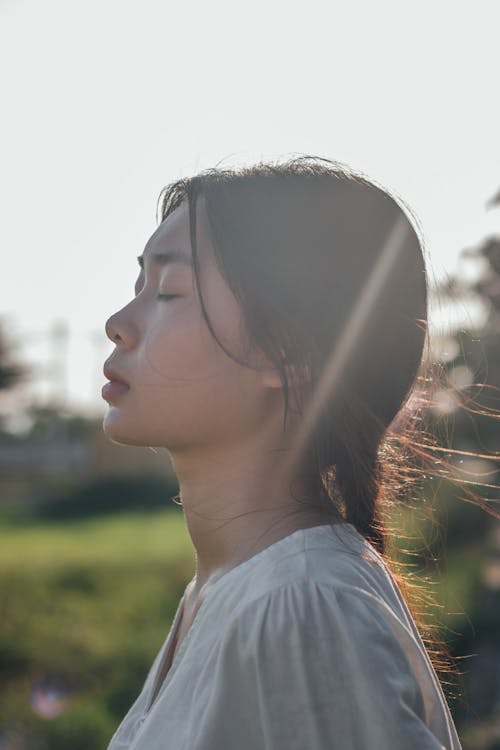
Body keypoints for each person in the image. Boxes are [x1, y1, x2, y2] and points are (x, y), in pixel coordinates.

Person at [102, 156, 462, 749]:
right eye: (138, 286)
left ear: (286, 353)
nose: (118, 323)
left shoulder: (303, 605)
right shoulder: (234, 592)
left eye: (168, 292)